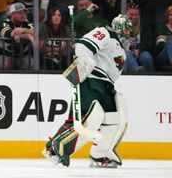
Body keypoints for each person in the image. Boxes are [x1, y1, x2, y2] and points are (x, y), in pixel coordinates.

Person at [43, 14, 134, 168]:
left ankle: (101, 153)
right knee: (89, 117)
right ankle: (54, 148)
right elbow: (84, 45)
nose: (129, 34)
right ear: (119, 27)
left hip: (106, 86)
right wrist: (84, 62)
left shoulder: (121, 47)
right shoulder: (106, 32)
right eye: (127, 30)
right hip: (92, 81)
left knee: (116, 117)